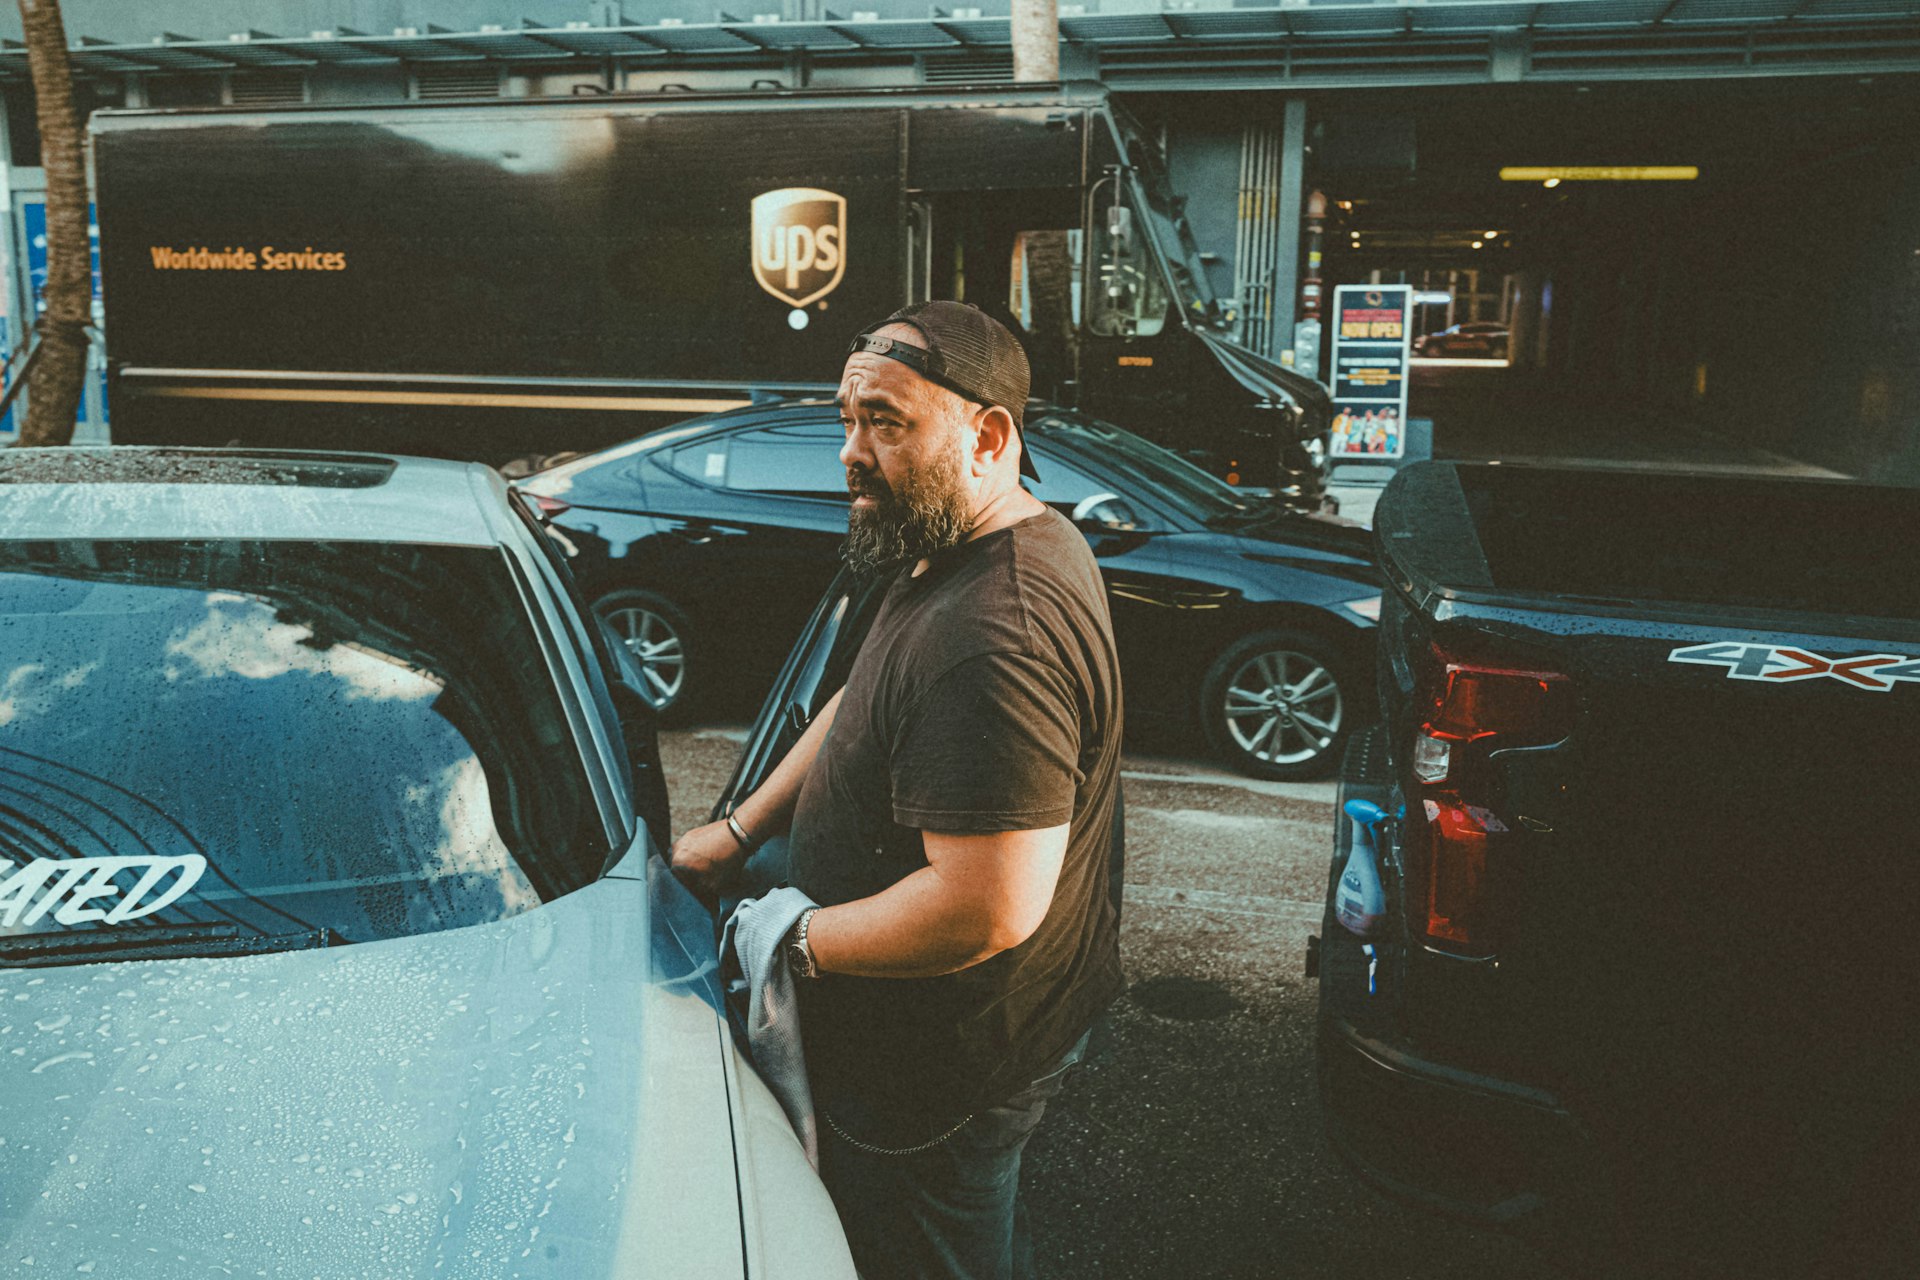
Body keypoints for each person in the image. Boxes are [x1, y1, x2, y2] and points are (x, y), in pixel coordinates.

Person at [672, 301, 1125, 1280]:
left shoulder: (996, 634)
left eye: (888, 421)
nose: (850, 451)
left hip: (935, 1075)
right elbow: (858, 693)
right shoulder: (953, 543)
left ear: (988, 436)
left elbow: (984, 905)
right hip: (980, 1039)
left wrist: (788, 937)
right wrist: (740, 829)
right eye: (847, 419)